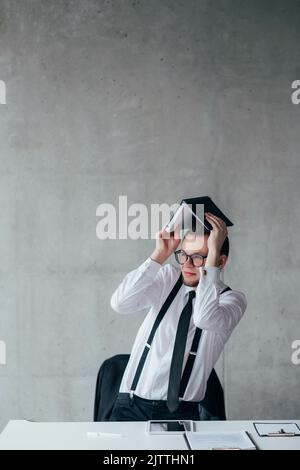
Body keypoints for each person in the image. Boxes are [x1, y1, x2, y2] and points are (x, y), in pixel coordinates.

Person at [109, 211, 247, 421]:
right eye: (183, 254)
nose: (187, 264)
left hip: (180, 412)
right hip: (129, 405)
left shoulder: (232, 301)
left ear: (219, 262)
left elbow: (204, 317)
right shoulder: (168, 278)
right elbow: (121, 303)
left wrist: (211, 259)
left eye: (200, 257)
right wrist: (160, 255)